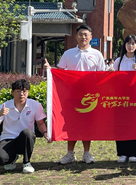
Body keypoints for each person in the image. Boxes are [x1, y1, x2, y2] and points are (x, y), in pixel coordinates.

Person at [44, 24, 106, 164]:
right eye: (80, 34)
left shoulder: (97, 54)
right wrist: (49, 69)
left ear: (91, 37)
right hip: (71, 95)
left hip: (89, 96)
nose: (83, 37)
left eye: (86, 35)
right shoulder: (68, 54)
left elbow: (101, 75)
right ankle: (70, 153)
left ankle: (87, 153)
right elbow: (60, 73)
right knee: (71, 124)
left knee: (86, 124)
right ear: (76, 37)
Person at [0, 79, 49, 173]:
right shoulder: (5, 106)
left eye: (24, 91)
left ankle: (26, 162)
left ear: (28, 92)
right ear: (12, 92)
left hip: (25, 138)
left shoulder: (35, 105)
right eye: (18, 91)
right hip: (8, 139)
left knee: (27, 133)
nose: (21, 94)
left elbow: (40, 123)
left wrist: (45, 133)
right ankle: (12, 158)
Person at [112, 34, 136, 163]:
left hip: (135, 97)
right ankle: (122, 153)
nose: (130, 46)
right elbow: (113, 78)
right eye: (128, 43)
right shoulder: (118, 61)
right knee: (121, 124)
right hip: (120, 96)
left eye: (133, 43)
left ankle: (133, 153)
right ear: (124, 45)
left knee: (133, 124)